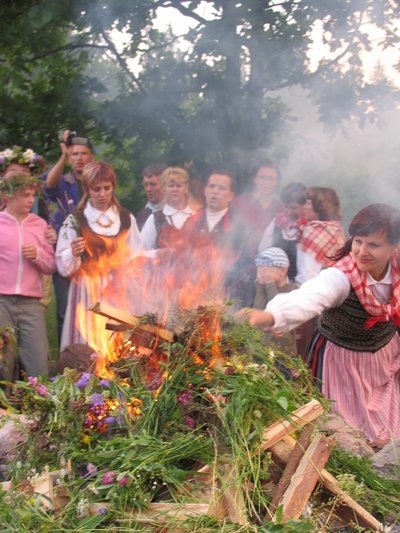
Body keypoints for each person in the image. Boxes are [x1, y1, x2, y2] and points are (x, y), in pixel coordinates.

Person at [241, 204, 400, 445]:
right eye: (358, 242)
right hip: (341, 362)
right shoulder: (341, 276)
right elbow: (309, 297)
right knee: (344, 434)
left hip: (382, 358)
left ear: (394, 246)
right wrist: (268, 316)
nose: (362, 252)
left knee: (386, 433)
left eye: (374, 245)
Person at [55, 161, 143, 352]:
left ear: (113, 187)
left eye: (107, 188)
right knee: (86, 345)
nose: (102, 194)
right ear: (87, 189)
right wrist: (74, 253)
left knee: (115, 344)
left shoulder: (126, 218)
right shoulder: (75, 220)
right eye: (96, 189)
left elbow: (137, 257)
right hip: (86, 289)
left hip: (117, 289)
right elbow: (62, 264)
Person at [0, 173, 56, 380]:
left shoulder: (40, 225)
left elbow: (51, 265)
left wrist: (38, 255)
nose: (31, 200)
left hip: (32, 304)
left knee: (38, 362)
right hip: (2, 302)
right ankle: (4, 410)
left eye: (33, 195)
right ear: (8, 196)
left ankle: (39, 407)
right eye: (25, 195)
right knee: (3, 361)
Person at [44, 130, 94, 346]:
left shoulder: (97, 182)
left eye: (83, 153)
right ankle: (67, 359)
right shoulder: (64, 181)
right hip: (66, 254)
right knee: (65, 311)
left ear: (91, 156)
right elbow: (48, 185)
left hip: (92, 258)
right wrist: (63, 155)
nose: (79, 158)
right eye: (74, 154)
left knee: (92, 310)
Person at [229, 160, 283, 307]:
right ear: (255, 179)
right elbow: (229, 235)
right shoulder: (240, 203)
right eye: (263, 177)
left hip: (268, 271)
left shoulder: (281, 208)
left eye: (271, 178)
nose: (266, 182)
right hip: (240, 269)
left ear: (277, 182)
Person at [296, 186, 346, 285]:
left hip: (312, 292)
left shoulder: (312, 233)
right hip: (335, 291)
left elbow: (307, 275)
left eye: (308, 203)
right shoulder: (337, 230)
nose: (304, 207)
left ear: (320, 207)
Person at [253, 247, 297, 357]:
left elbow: (278, 307)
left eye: (267, 265)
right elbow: (258, 309)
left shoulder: (292, 290)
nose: (261, 269)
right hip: (263, 350)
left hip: (284, 354)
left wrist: (269, 283)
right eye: (259, 265)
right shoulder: (264, 287)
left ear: (283, 271)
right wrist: (260, 285)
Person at [140, 167, 195, 251]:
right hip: (162, 264)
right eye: (171, 186)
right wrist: (158, 254)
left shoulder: (196, 216)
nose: (175, 189)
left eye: (179, 186)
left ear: (186, 187)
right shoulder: (154, 219)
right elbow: (141, 251)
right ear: (164, 188)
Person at [273, 182, 308, 283]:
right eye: (286, 207)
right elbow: (263, 248)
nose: (288, 212)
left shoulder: (310, 228)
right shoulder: (276, 222)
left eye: (293, 208)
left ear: (304, 205)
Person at [136, 164, 166, 231]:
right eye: (146, 184)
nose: (148, 189)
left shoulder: (174, 211)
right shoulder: (142, 215)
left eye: (153, 184)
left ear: (164, 185)